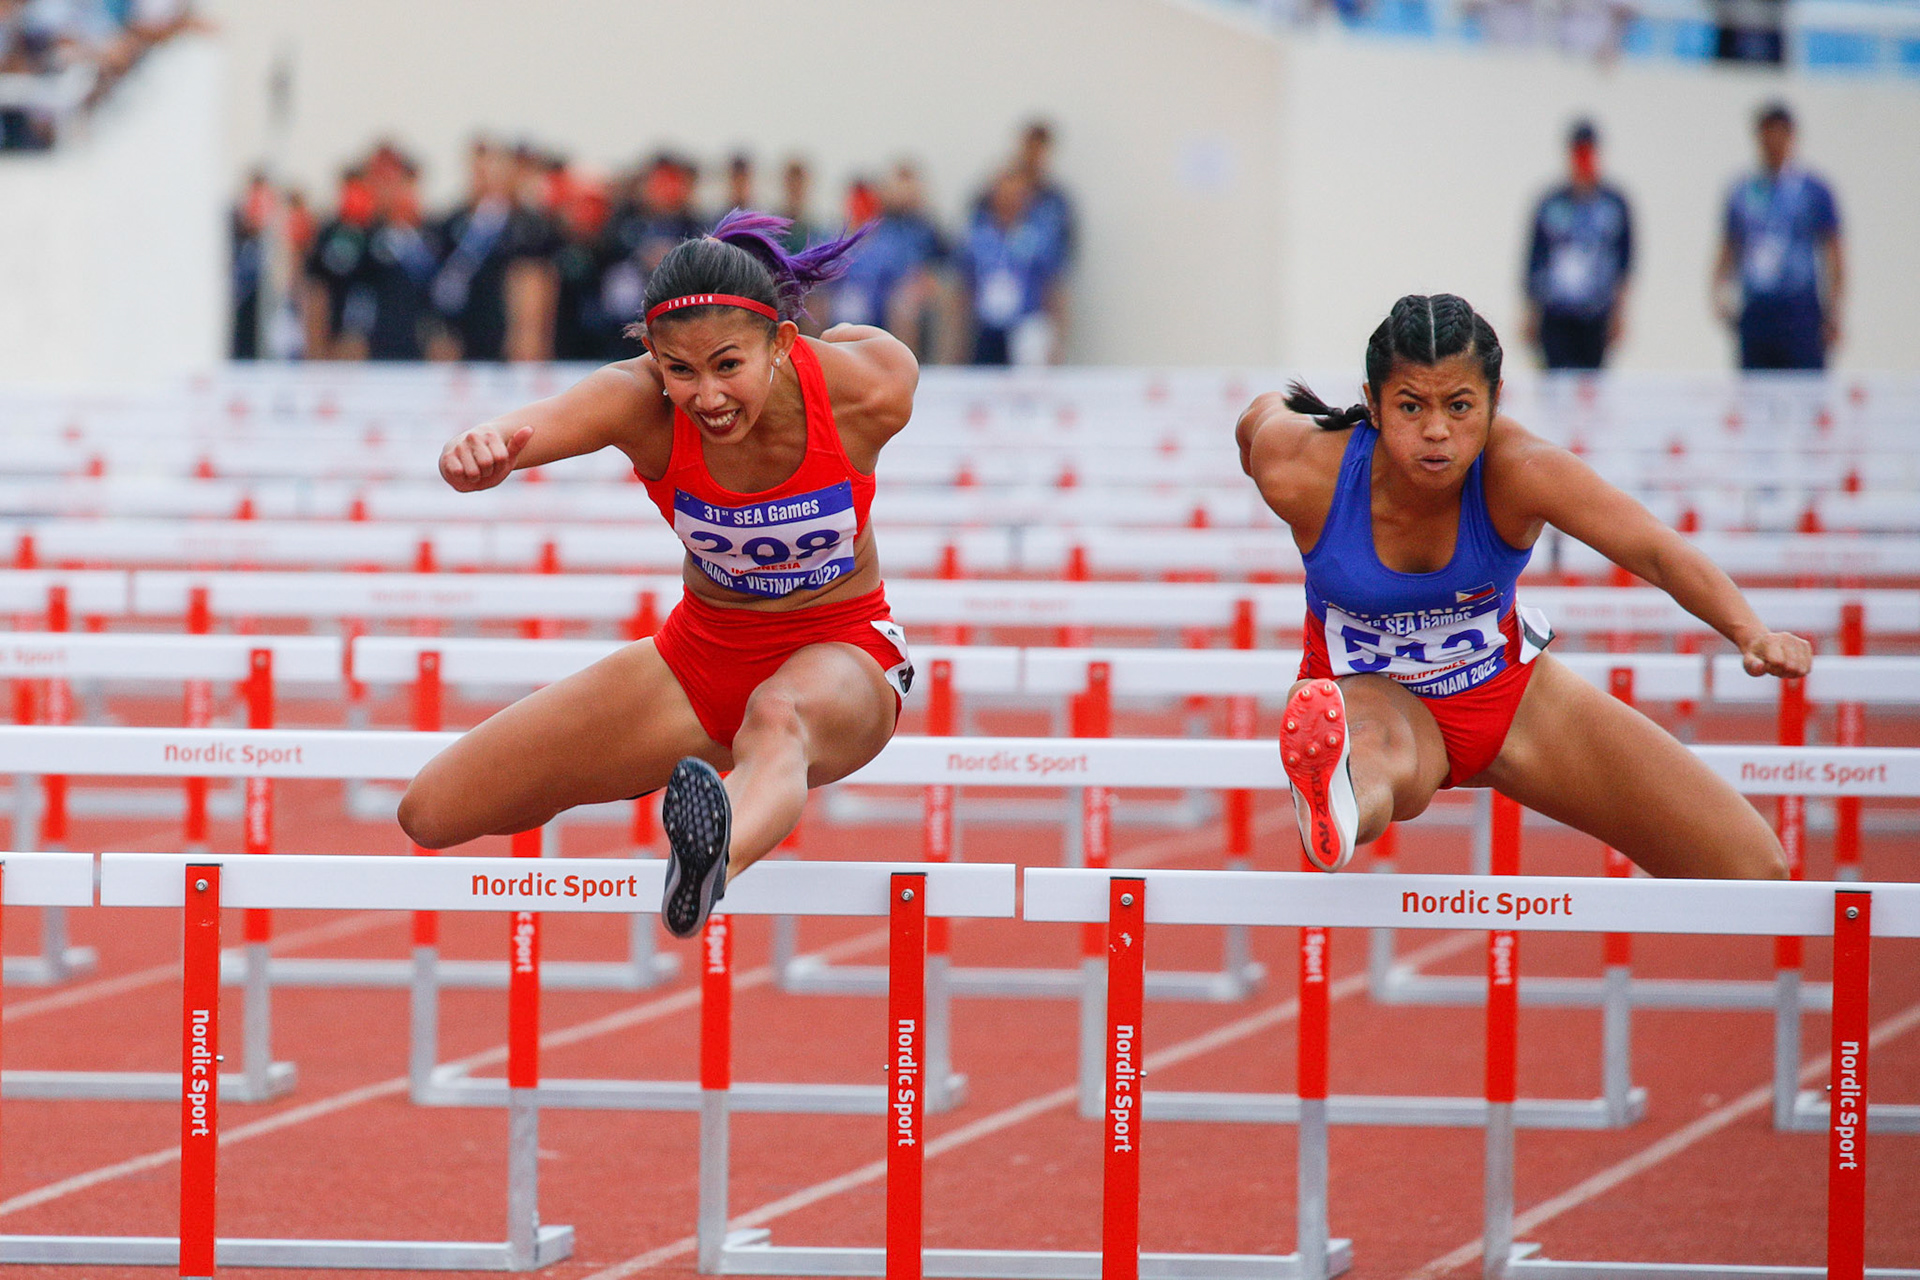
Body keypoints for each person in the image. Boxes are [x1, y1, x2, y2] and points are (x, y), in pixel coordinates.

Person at [399, 211, 914, 940]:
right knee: (432, 811)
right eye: (681, 370)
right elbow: (527, 428)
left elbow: (884, 350)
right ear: (652, 357)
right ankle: (673, 777)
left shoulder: (866, 394)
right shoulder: (637, 401)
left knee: (778, 718)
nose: (707, 398)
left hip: (844, 652)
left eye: (728, 365)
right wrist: (479, 450)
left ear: (783, 344)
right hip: (699, 660)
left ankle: (710, 857)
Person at [1234, 293, 1809, 877]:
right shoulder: (1301, 467)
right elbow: (1257, 422)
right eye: (1411, 407)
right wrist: (1286, 405)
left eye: (1460, 407)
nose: (1437, 432)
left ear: (1495, 400)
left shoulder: (1523, 469)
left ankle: (1343, 792)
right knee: (1377, 757)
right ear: (1372, 406)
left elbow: (1654, 550)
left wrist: (1750, 631)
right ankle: (1335, 798)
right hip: (1372, 693)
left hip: (1511, 694)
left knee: (1751, 868)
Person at [1712, 103, 1844, 372]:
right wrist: (1718, 291)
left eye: (1778, 133)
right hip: (1757, 307)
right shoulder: (1743, 191)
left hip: (1799, 309)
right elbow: (1730, 244)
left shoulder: (1813, 191)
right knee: (1755, 393)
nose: (1772, 142)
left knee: (1804, 391)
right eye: (1766, 134)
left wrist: (1834, 309)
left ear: (1791, 136)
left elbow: (1833, 251)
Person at [430, 137, 558, 362]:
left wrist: (528, 335)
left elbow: (533, 281)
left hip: (502, 332)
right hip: (462, 331)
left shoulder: (526, 224)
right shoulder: (454, 222)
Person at [1523, 119, 1633, 370]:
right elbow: (1535, 259)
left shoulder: (1613, 205)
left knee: (1591, 384)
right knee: (1556, 378)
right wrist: (1530, 313)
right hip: (1555, 310)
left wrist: (1620, 314)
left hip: (1597, 312)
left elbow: (1624, 263)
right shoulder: (1550, 203)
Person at [961, 169, 1068, 366]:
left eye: (1016, 195)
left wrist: (1057, 342)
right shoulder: (978, 238)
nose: (1010, 201)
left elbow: (1053, 290)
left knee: (1031, 351)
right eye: (1004, 194)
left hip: (1026, 327)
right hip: (987, 330)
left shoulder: (1040, 238)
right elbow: (964, 291)